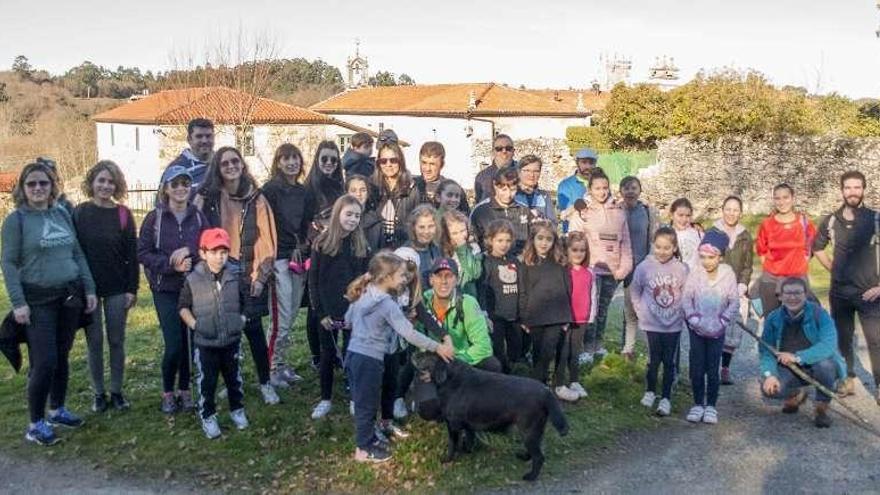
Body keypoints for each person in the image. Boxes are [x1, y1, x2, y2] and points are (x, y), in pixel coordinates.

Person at [1, 161, 97, 445]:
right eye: (31, 184)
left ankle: (57, 409)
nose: (38, 188)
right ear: (23, 188)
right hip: (37, 301)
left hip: (68, 297)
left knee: (62, 355)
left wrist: (89, 289)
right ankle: (35, 423)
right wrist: (18, 303)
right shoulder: (16, 221)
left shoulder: (62, 214)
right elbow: (8, 263)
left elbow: (77, 254)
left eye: (43, 183)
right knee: (44, 362)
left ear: (52, 186)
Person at [345, 252, 454, 463]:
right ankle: (363, 449)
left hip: (354, 354)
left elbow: (349, 320)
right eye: (401, 275)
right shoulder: (386, 303)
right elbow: (408, 333)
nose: (406, 279)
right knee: (366, 404)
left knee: (366, 400)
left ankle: (372, 437)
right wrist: (437, 347)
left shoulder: (365, 293)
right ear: (386, 277)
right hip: (369, 359)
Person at [194, 146, 279, 405]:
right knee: (226, 332)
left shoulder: (257, 198)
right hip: (219, 270)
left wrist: (260, 276)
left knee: (253, 330)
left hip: (248, 268)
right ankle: (232, 380)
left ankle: (265, 382)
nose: (231, 166)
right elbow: (196, 227)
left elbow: (267, 239)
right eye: (225, 163)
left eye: (235, 162)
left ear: (242, 165)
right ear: (218, 169)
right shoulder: (209, 198)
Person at [138, 166, 208, 414]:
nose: (181, 189)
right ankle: (168, 391)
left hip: (192, 289)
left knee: (190, 342)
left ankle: (185, 389)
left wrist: (192, 257)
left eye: (185, 184)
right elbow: (143, 253)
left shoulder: (197, 217)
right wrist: (170, 264)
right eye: (175, 184)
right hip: (165, 290)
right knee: (174, 344)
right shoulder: (154, 219)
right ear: (165, 188)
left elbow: (207, 247)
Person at [74, 160, 139, 413]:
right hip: (88, 289)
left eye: (110, 181)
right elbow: (74, 251)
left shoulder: (123, 214)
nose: (105, 185)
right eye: (101, 180)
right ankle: (98, 393)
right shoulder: (80, 213)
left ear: (117, 185)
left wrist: (132, 289)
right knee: (94, 341)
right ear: (92, 182)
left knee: (116, 340)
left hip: (117, 287)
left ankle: (116, 391)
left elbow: (131, 255)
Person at [813, 170, 880, 401]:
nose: (853, 192)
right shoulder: (832, 220)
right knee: (843, 337)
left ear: (863, 189)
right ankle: (846, 379)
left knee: (876, 340)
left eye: (857, 187)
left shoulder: (875, 219)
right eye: (848, 187)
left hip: (870, 293)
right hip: (840, 292)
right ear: (842, 190)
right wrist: (833, 268)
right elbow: (817, 247)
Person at [178, 228, 249, 439]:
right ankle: (208, 415)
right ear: (203, 253)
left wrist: (241, 320)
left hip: (231, 340)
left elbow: (245, 302)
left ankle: (237, 409)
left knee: (234, 379)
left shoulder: (235, 276)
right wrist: (195, 325)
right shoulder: (193, 280)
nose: (220, 256)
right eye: (214, 251)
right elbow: (183, 307)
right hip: (206, 343)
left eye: (224, 252)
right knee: (206, 382)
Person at [308, 195, 371, 419]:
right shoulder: (322, 244)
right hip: (327, 310)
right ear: (338, 214)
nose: (353, 219)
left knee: (352, 353)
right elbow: (314, 281)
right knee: (327, 355)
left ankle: (354, 395)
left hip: (353, 311)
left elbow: (366, 280)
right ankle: (325, 398)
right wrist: (321, 313)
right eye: (349, 214)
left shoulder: (361, 246)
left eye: (357, 215)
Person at [760, 277, 847, 428]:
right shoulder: (773, 318)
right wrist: (769, 375)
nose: (792, 297)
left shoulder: (820, 314)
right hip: (789, 368)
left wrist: (798, 357)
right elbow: (766, 351)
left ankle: (821, 408)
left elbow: (828, 345)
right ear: (780, 296)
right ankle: (796, 394)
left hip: (816, 364)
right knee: (770, 390)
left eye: (797, 293)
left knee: (825, 365)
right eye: (788, 293)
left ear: (806, 294)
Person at [567, 169, 632, 359]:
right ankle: (585, 347)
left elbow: (626, 243)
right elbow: (573, 240)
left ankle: (597, 345)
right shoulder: (582, 212)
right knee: (590, 310)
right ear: (590, 189)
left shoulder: (619, 212)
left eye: (605, 188)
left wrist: (623, 269)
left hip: (612, 271)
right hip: (591, 270)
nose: (602, 192)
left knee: (603, 310)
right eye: (597, 188)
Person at [262, 144, 312, 388]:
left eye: (295, 158)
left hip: (298, 258)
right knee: (280, 318)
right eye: (286, 158)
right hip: (279, 258)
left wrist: (305, 243)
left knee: (291, 314)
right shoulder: (270, 190)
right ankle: (270, 368)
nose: (291, 163)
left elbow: (305, 223)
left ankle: (281, 363)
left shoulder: (302, 191)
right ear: (278, 162)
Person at [682, 230, 739, 425]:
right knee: (697, 367)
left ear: (720, 257)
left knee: (713, 368)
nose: (706, 261)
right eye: (703, 257)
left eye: (711, 257)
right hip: (697, 329)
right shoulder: (695, 273)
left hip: (717, 331)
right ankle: (698, 403)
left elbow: (733, 302)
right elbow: (686, 297)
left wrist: (723, 319)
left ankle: (711, 406)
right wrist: (692, 317)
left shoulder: (728, 275)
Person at [630, 227, 689, 417]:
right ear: (653, 245)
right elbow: (635, 290)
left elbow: (688, 293)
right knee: (653, 359)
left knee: (669, 361)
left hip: (673, 324)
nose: (662, 251)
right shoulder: (644, 267)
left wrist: (683, 313)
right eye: (658, 247)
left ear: (674, 248)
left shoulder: (681, 269)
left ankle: (665, 397)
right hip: (651, 323)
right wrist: (641, 312)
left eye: (667, 248)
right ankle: (650, 391)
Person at [305, 141, 347, 369]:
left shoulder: (340, 187)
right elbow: (304, 222)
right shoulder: (310, 188)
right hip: (317, 251)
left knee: (335, 302)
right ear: (317, 161)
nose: (329, 163)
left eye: (333, 159)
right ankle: (317, 356)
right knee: (316, 305)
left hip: (337, 251)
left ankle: (333, 352)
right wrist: (316, 234)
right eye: (325, 159)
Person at [519, 220, 572, 386]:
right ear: (533, 239)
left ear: (554, 241)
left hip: (556, 315)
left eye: (548, 239)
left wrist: (566, 317)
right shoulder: (526, 263)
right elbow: (523, 291)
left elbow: (567, 289)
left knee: (548, 350)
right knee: (537, 351)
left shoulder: (560, 262)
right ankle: (539, 384)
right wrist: (524, 317)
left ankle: (538, 386)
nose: (544, 243)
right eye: (540, 238)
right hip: (535, 315)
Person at [422, 258, 500, 371]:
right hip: (433, 360)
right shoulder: (423, 302)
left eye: (449, 276)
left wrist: (455, 361)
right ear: (431, 280)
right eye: (439, 276)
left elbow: (484, 346)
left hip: (462, 359)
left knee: (492, 365)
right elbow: (418, 342)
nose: (443, 281)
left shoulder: (468, 303)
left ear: (457, 280)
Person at [755, 183, 817, 317]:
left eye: (785, 197)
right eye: (777, 198)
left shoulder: (804, 222)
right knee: (772, 321)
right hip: (772, 279)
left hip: (797, 278)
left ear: (793, 198)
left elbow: (812, 247)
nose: (782, 202)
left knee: (803, 321)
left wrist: (799, 263)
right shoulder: (767, 224)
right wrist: (771, 268)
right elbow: (761, 250)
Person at [713, 195, 754, 385]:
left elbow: (747, 265)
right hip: (714, 288)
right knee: (713, 328)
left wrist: (743, 284)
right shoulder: (713, 232)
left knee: (732, 331)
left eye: (735, 210)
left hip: (736, 289)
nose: (731, 213)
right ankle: (711, 366)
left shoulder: (745, 235)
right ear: (722, 210)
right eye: (728, 209)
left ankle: (725, 368)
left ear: (741, 213)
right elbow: (705, 258)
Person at [619, 176, 660, 360]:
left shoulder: (647, 212)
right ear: (620, 191)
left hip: (642, 268)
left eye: (634, 188)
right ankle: (628, 349)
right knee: (628, 311)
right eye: (626, 188)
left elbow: (653, 239)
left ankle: (652, 352)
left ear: (640, 191)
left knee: (643, 311)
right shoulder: (616, 210)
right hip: (620, 266)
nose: (630, 191)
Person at [555, 231, 597, 402]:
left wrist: (591, 315)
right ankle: (559, 382)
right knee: (563, 351)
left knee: (575, 351)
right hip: (566, 318)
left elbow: (593, 294)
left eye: (582, 250)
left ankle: (574, 380)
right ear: (567, 251)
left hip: (581, 318)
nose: (579, 254)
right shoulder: (564, 271)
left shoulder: (590, 273)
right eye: (575, 250)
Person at [478, 219, 521, 373]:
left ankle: (515, 368)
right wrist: (484, 312)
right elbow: (482, 288)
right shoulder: (486, 261)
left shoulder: (514, 260)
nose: (504, 244)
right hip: (495, 314)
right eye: (500, 240)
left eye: (508, 240)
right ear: (490, 240)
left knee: (516, 345)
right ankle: (502, 374)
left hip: (514, 313)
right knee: (497, 348)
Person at [470, 166, 531, 257]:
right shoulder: (480, 211)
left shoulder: (524, 210)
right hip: (491, 263)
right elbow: (473, 241)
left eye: (513, 190)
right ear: (495, 185)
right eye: (504, 190)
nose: (508, 194)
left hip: (520, 263)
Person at [373, 141, 422, 250]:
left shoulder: (412, 189)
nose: (388, 164)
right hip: (377, 251)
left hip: (404, 250)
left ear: (401, 161)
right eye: (383, 161)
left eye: (393, 160)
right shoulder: (372, 188)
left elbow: (419, 224)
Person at [414, 141, 469, 213]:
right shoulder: (410, 187)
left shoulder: (454, 190)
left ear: (442, 165)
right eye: (424, 163)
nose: (427, 169)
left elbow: (465, 220)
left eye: (432, 164)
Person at [438, 210, 482, 298]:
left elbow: (474, 273)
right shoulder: (441, 250)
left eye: (463, 230)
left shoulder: (473, 248)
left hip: (468, 296)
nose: (460, 236)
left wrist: (462, 249)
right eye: (454, 233)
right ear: (446, 235)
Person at [164, 118, 215, 192]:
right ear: (189, 139)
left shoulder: (224, 164)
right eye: (199, 136)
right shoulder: (176, 168)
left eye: (208, 136)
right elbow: (162, 201)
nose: (204, 141)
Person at [557, 148, 598, 233]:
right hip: (574, 236)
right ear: (577, 163)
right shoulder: (565, 185)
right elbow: (566, 214)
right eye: (584, 162)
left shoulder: (599, 183)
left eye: (591, 163)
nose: (588, 166)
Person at [474, 134, 516, 203]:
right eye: (499, 149)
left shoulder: (523, 173)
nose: (504, 151)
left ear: (513, 151)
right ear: (493, 152)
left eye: (508, 148)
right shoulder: (481, 177)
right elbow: (479, 203)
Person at [514, 155, 556, 224]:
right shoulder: (511, 194)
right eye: (527, 170)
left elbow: (553, 223)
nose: (532, 175)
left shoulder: (544, 196)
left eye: (536, 171)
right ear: (519, 172)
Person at [669, 197, 703, 272]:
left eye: (688, 216)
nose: (684, 219)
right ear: (671, 215)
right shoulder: (665, 234)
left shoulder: (699, 235)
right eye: (680, 215)